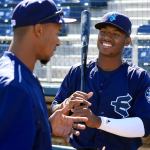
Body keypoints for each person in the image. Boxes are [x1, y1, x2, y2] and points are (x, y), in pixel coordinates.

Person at [0, 0, 93, 149]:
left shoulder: (22, 76)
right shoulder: (15, 87)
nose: (58, 41)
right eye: (57, 32)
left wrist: (47, 127)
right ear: (39, 30)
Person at [50, 12, 150, 150]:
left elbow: (144, 126)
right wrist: (67, 104)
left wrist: (98, 122)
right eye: (103, 32)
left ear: (127, 40)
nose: (107, 37)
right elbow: (56, 107)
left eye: (116, 34)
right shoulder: (78, 71)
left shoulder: (138, 77)